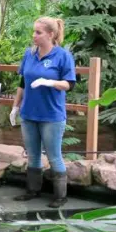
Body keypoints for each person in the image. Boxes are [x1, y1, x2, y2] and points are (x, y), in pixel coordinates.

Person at [11, 17, 76, 208]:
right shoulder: (29, 54)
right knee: (33, 155)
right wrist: (15, 107)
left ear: (51, 34)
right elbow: (22, 83)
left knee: (54, 155)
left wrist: (50, 82)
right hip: (29, 113)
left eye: (38, 32)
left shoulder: (62, 56)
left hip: (51, 115)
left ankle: (60, 196)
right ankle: (32, 190)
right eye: (34, 31)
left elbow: (69, 84)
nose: (34, 36)